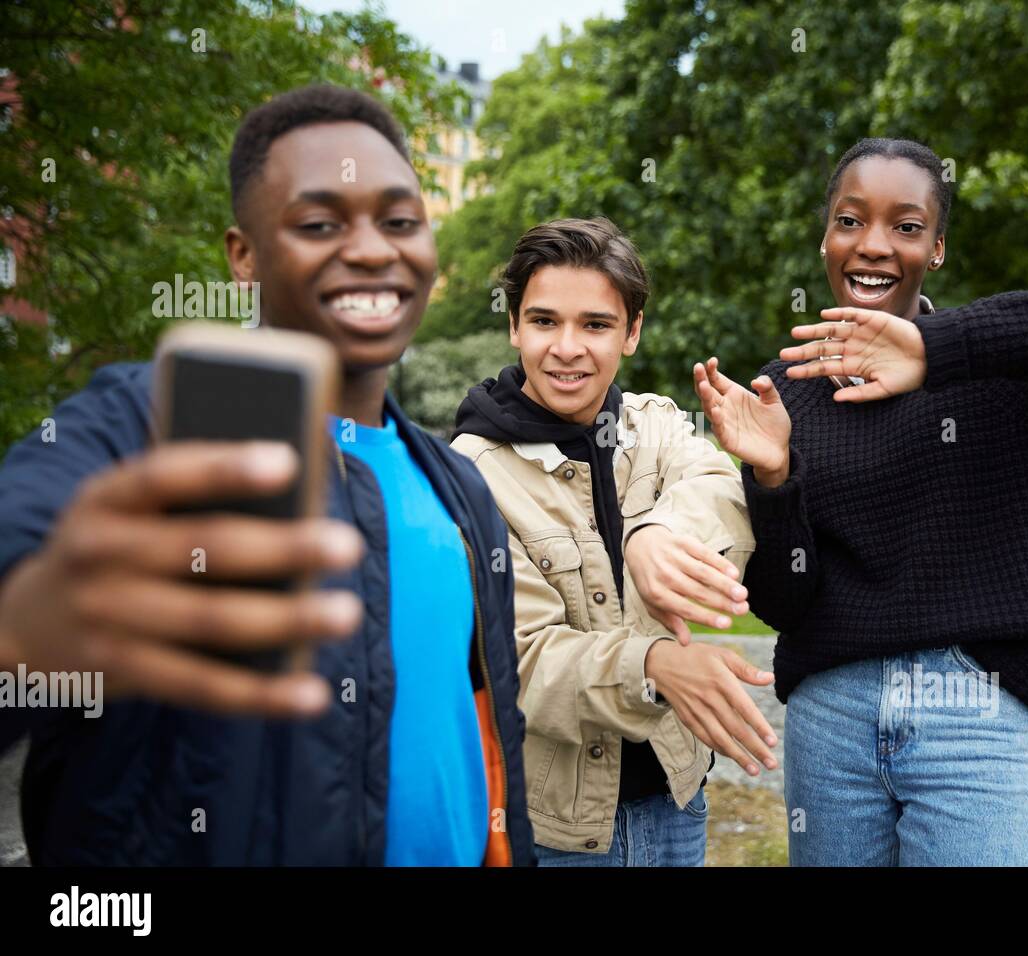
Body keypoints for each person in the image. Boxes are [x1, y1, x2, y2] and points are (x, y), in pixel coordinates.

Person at [0, 84, 534, 866]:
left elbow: (484, 733)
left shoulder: (458, 485)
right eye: (320, 223)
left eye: (400, 220)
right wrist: (23, 637)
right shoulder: (139, 433)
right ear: (242, 255)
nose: (372, 249)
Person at [693, 137, 1028, 866]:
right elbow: (784, 602)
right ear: (825, 236)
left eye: (906, 226)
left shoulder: (1006, 363)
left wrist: (939, 347)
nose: (873, 245)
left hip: (977, 710)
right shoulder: (787, 389)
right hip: (830, 716)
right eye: (851, 220)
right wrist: (776, 479)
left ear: (936, 248)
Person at [451, 217, 778, 866]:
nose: (567, 347)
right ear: (514, 326)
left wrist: (654, 534)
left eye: (596, 325)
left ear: (632, 333)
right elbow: (523, 661)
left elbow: (717, 484)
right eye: (544, 321)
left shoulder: (654, 424)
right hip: (558, 832)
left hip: (678, 799)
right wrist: (654, 665)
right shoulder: (472, 473)